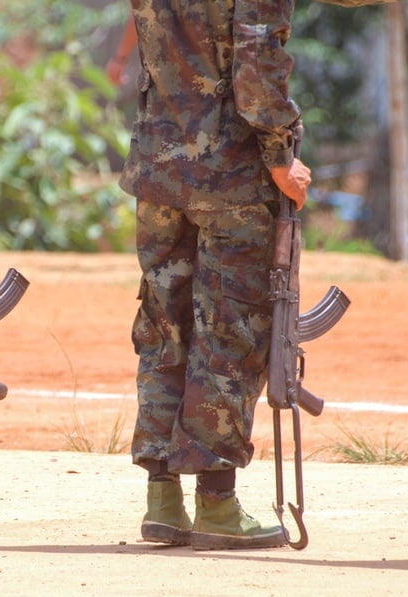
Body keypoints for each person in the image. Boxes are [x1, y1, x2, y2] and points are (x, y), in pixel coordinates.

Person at [119, 0, 312, 549]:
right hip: (232, 173)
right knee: (231, 330)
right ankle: (217, 502)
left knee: (165, 326)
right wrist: (280, 154)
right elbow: (258, 55)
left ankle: (163, 499)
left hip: (159, 165)